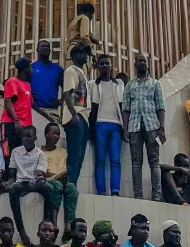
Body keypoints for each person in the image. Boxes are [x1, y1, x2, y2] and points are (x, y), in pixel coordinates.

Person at [121, 53, 165, 200]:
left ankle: (156, 196)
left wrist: (162, 128)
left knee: (154, 162)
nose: (141, 63)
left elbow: (161, 108)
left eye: (144, 61)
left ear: (148, 64)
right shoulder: (129, 85)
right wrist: (125, 128)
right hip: (134, 127)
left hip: (152, 126)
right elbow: (126, 109)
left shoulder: (155, 83)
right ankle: (138, 195)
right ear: (135, 65)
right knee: (136, 162)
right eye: (139, 61)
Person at [6, 125, 54, 246]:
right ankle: (21, 231)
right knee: (13, 188)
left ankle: (47, 225)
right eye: (24, 136)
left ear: (35, 138)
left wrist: (39, 177)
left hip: (35, 182)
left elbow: (41, 173)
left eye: (29, 136)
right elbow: (12, 174)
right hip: (21, 183)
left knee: (49, 188)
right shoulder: (15, 151)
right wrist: (8, 183)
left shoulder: (40, 154)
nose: (26, 139)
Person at [88, 53, 124, 195]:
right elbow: (91, 108)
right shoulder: (93, 84)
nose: (104, 66)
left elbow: (124, 106)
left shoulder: (119, 84)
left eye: (107, 63)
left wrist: (125, 128)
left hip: (116, 125)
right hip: (99, 125)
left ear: (111, 66)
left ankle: (115, 190)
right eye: (101, 63)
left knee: (115, 159)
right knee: (100, 160)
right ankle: (101, 192)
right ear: (97, 66)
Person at [41, 123, 78, 241]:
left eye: (58, 134)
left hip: (62, 180)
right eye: (54, 133)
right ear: (46, 134)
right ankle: (54, 224)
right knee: (56, 186)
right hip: (48, 180)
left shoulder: (63, 151)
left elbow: (65, 168)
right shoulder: (39, 152)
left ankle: (68, 226)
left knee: (72, 189)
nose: (57, 136)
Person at [61, 42, 91, 185]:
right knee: (74, 154)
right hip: (76, 116)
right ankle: (70, 185)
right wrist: (73, 115)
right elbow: (67, 94)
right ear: (73, 55)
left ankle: (72, 184)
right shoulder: (70, 70)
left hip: (84, 117)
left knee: (80, 156)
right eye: (82, 53)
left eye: (86, 53)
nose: (85, 56)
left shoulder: (83, 73)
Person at [2, 58, 35, 153]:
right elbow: (8, 102)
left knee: (22, 155)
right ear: (26, 68)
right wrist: (16, 121)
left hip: (25, 126)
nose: (32, 70)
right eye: (31, 67)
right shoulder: (12, 81)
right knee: (8, 153)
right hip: (12, 124)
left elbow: (31, 105)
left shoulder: (27, 85)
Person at [32, 40, 64, 121]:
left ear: (50, 50)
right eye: (43, 46)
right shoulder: (31, 68)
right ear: (37, 49)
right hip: (35, 110)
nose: (45, 48)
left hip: (52, 111)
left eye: (47, 46)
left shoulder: (57, 69)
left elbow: (67, 87)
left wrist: (61, 100)